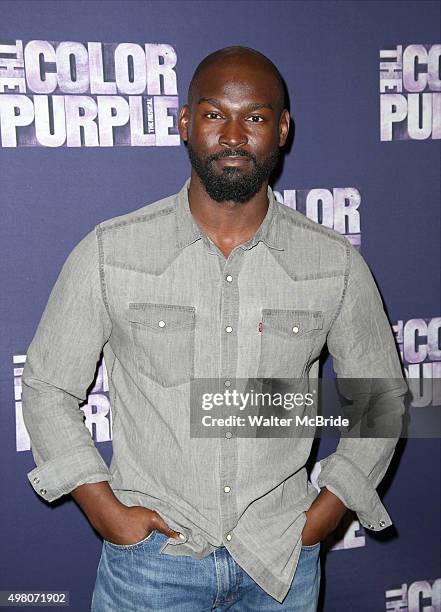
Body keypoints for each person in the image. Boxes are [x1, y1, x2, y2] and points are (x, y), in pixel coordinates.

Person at [22, 46, 407, 611]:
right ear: (184, 122)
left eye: (254, 117)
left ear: (281, 129)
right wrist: (104, 510)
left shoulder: (333, 264)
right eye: (213, 114)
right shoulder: (111, 252)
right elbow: (47, 388)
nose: (233, 135)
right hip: (152, 565)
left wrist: (327, 511)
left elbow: (384, 399)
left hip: (280, 562)